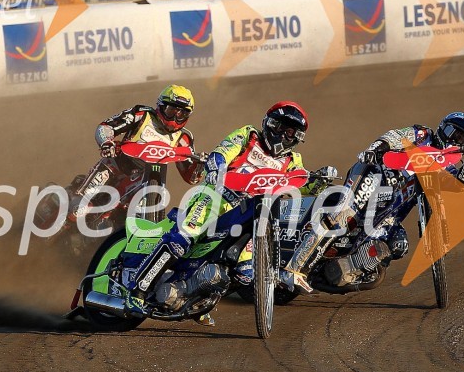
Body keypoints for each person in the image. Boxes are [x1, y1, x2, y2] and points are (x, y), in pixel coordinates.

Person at [129, 101, 336, 325]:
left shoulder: (292, 161)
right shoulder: (248, 136)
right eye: (279, 127)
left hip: (249, 215)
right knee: (182, 240)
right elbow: (222, 152)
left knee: (245, 273)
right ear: (268, 124)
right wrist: (216, 165)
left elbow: (302, 184)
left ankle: (196, 298)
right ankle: (137, 290)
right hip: (216, 199)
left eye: (290, 132)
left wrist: (320, 179)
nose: (282, 135)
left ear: (297, 137)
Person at [282, 112, 464, 291]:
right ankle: (295, 268)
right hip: (375, 174)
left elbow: (460, 185)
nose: (454, 140)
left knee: (398, 244)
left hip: (387, 214)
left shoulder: (445, 166)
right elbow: (394, 136)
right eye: (453, 132)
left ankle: (345, 270)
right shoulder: (423, 135)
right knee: (343, 214)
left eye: (461, 140)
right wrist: (376, 148)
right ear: (443, 128)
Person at [91, 84, 205, 188]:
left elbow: (191, 178)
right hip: (115, 168)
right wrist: (106, 143)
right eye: (171, 111)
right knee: (80, 208)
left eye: (182, 114)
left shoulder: (184, 138)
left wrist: (200, 166)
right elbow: (106, 127)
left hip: (146, 182)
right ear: (161, 106)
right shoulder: (142, 114)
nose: (175, 118)